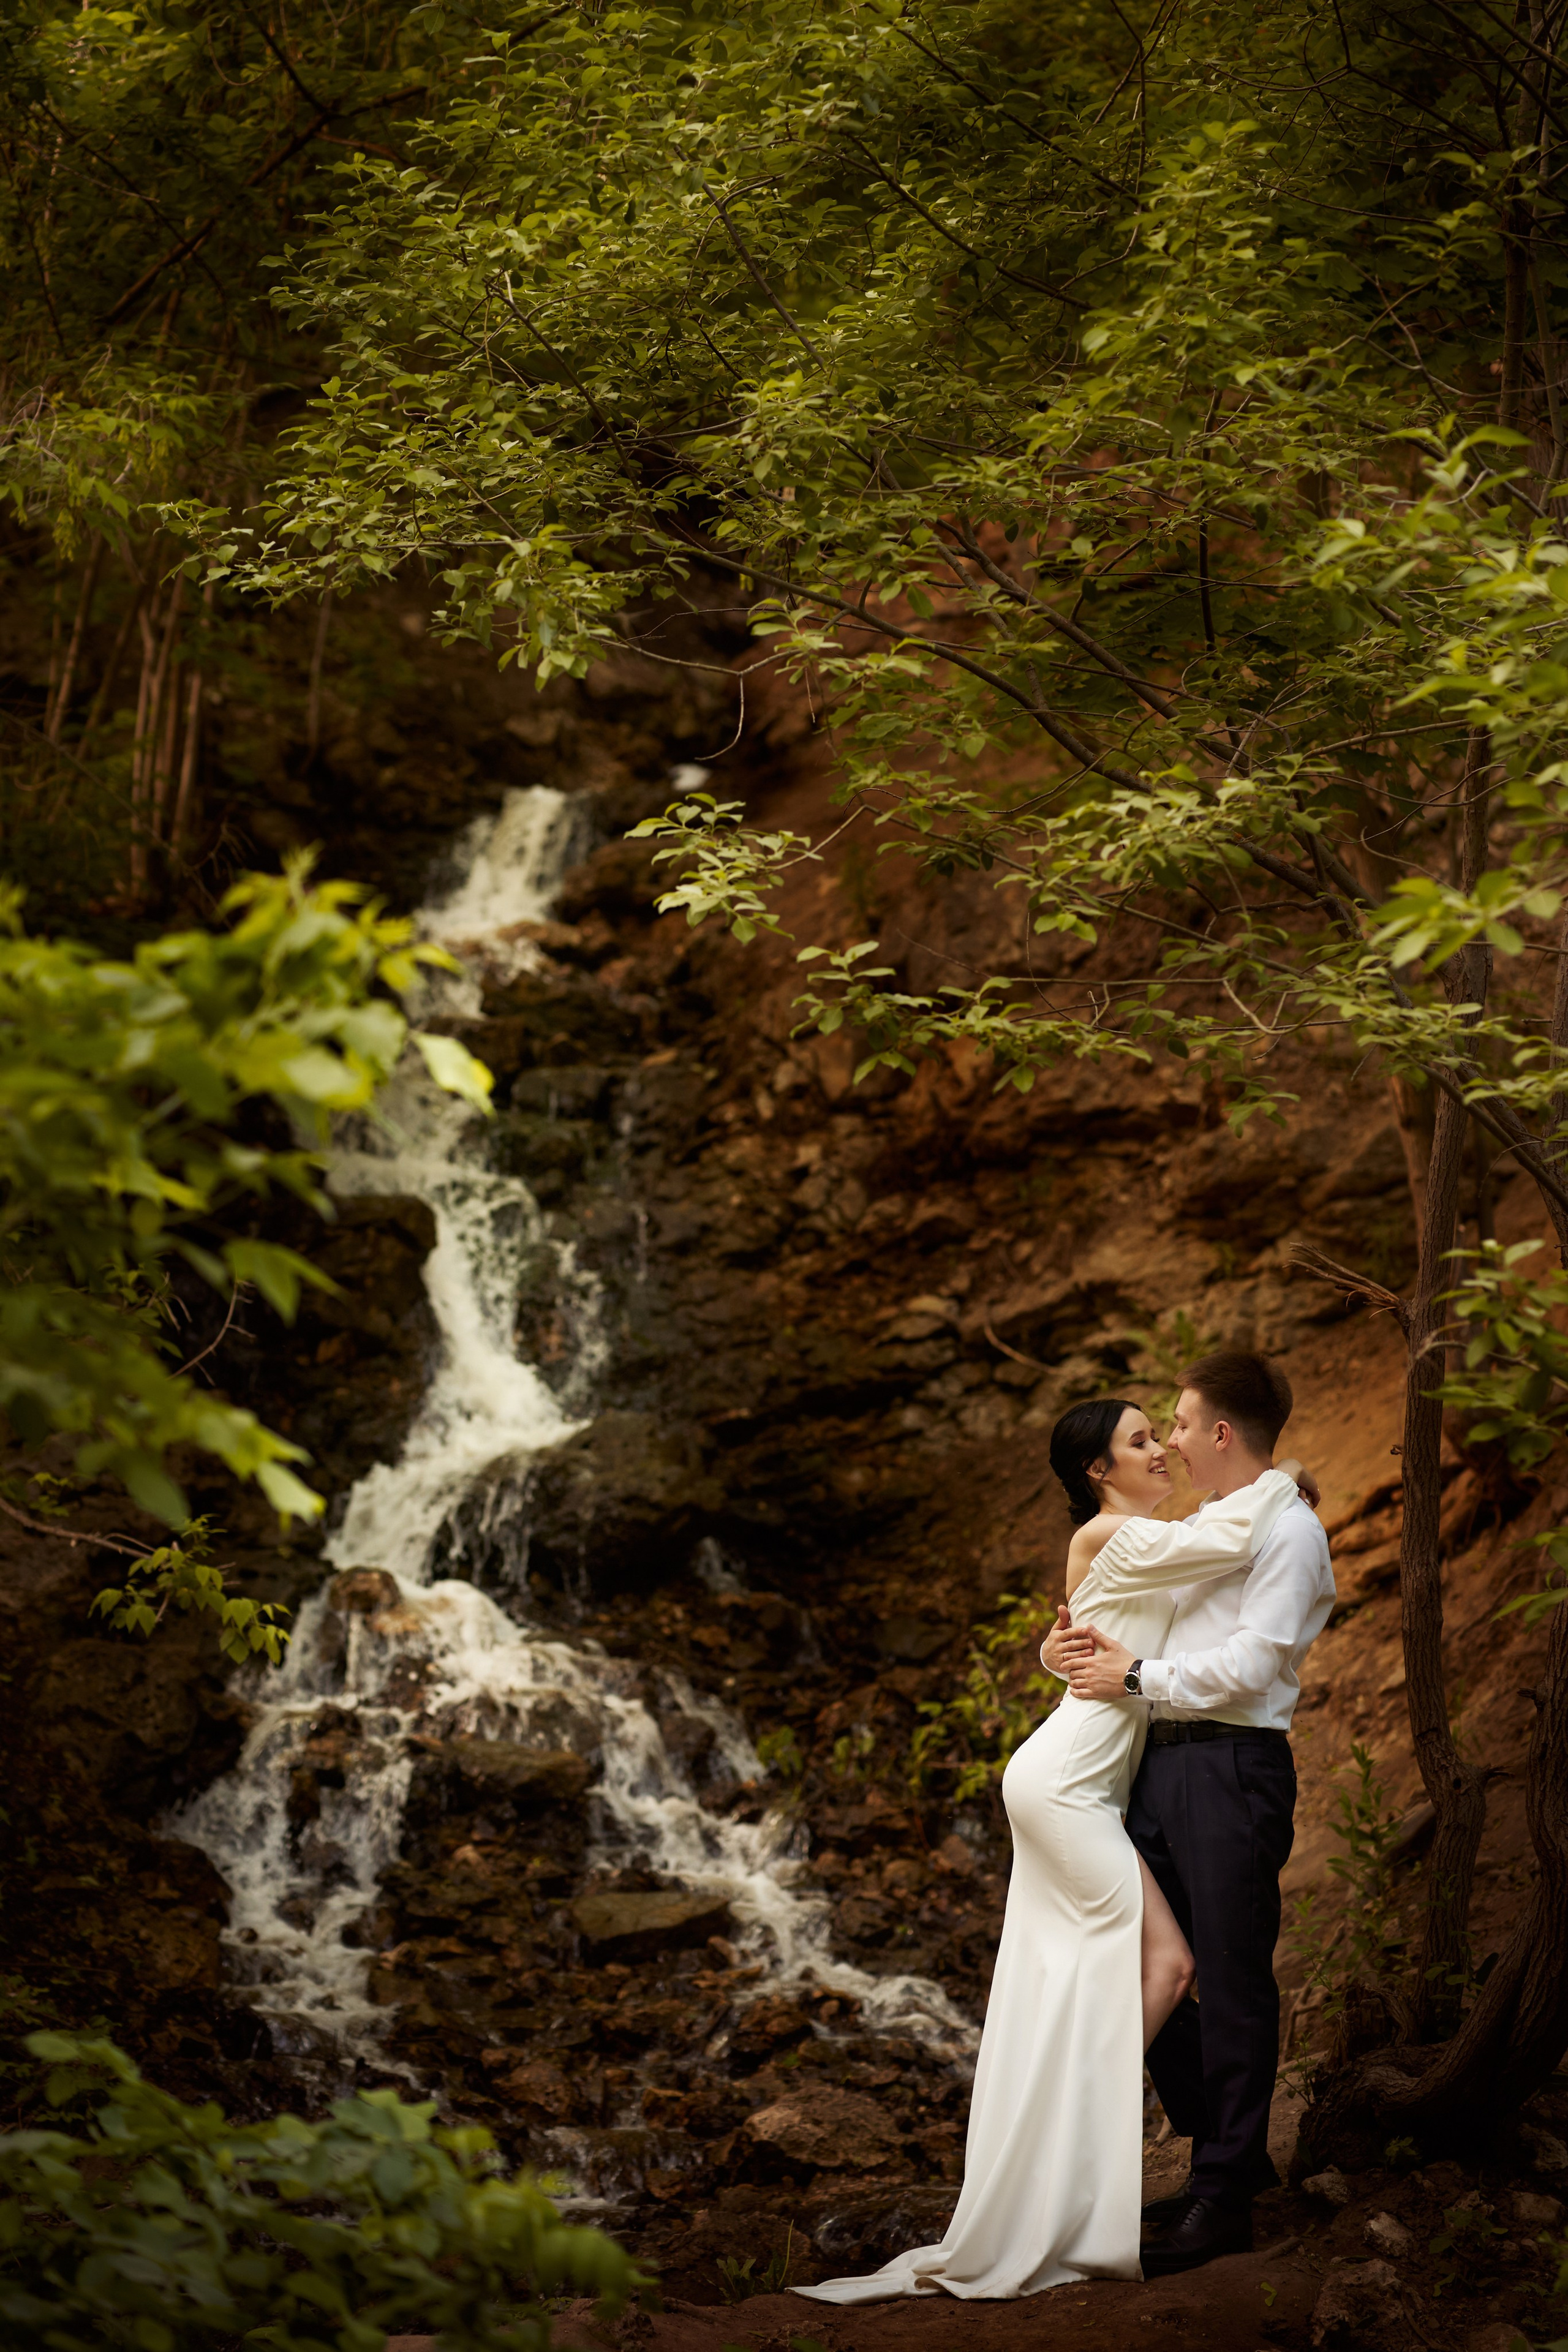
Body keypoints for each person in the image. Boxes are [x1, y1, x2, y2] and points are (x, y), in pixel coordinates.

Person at [796, 1389, 1311, 2304]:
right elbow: (1229, 1542)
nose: (1161, 1451)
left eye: (1165, 1435)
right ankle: (1066, 2149)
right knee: (1168, 1966)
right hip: (1069, 1784)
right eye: (1140, 1442)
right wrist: (1291, 1476)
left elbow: (1101, 1630)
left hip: (1085, 1781)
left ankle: (1074, 2151)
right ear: (1097, 1472)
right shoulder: (1114, 1535)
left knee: (1114, 1969)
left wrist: (1053, 1651)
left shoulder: (1138, 1544)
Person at [1043, 1351, 1335, 2278]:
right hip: (1153, 1768)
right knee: (1147, 1958)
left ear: (1218, 1432)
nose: (1166, 1440)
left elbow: (1253, 1664)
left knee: (1233, 1975)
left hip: (1229, 1764)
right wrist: (1070, 1652)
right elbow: (1118, 1620)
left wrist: (1135, 1677)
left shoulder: (1289, 1533)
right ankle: (1228, 2158)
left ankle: (1225, 2198)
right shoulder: (1212, 1524)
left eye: (1175, 1423)